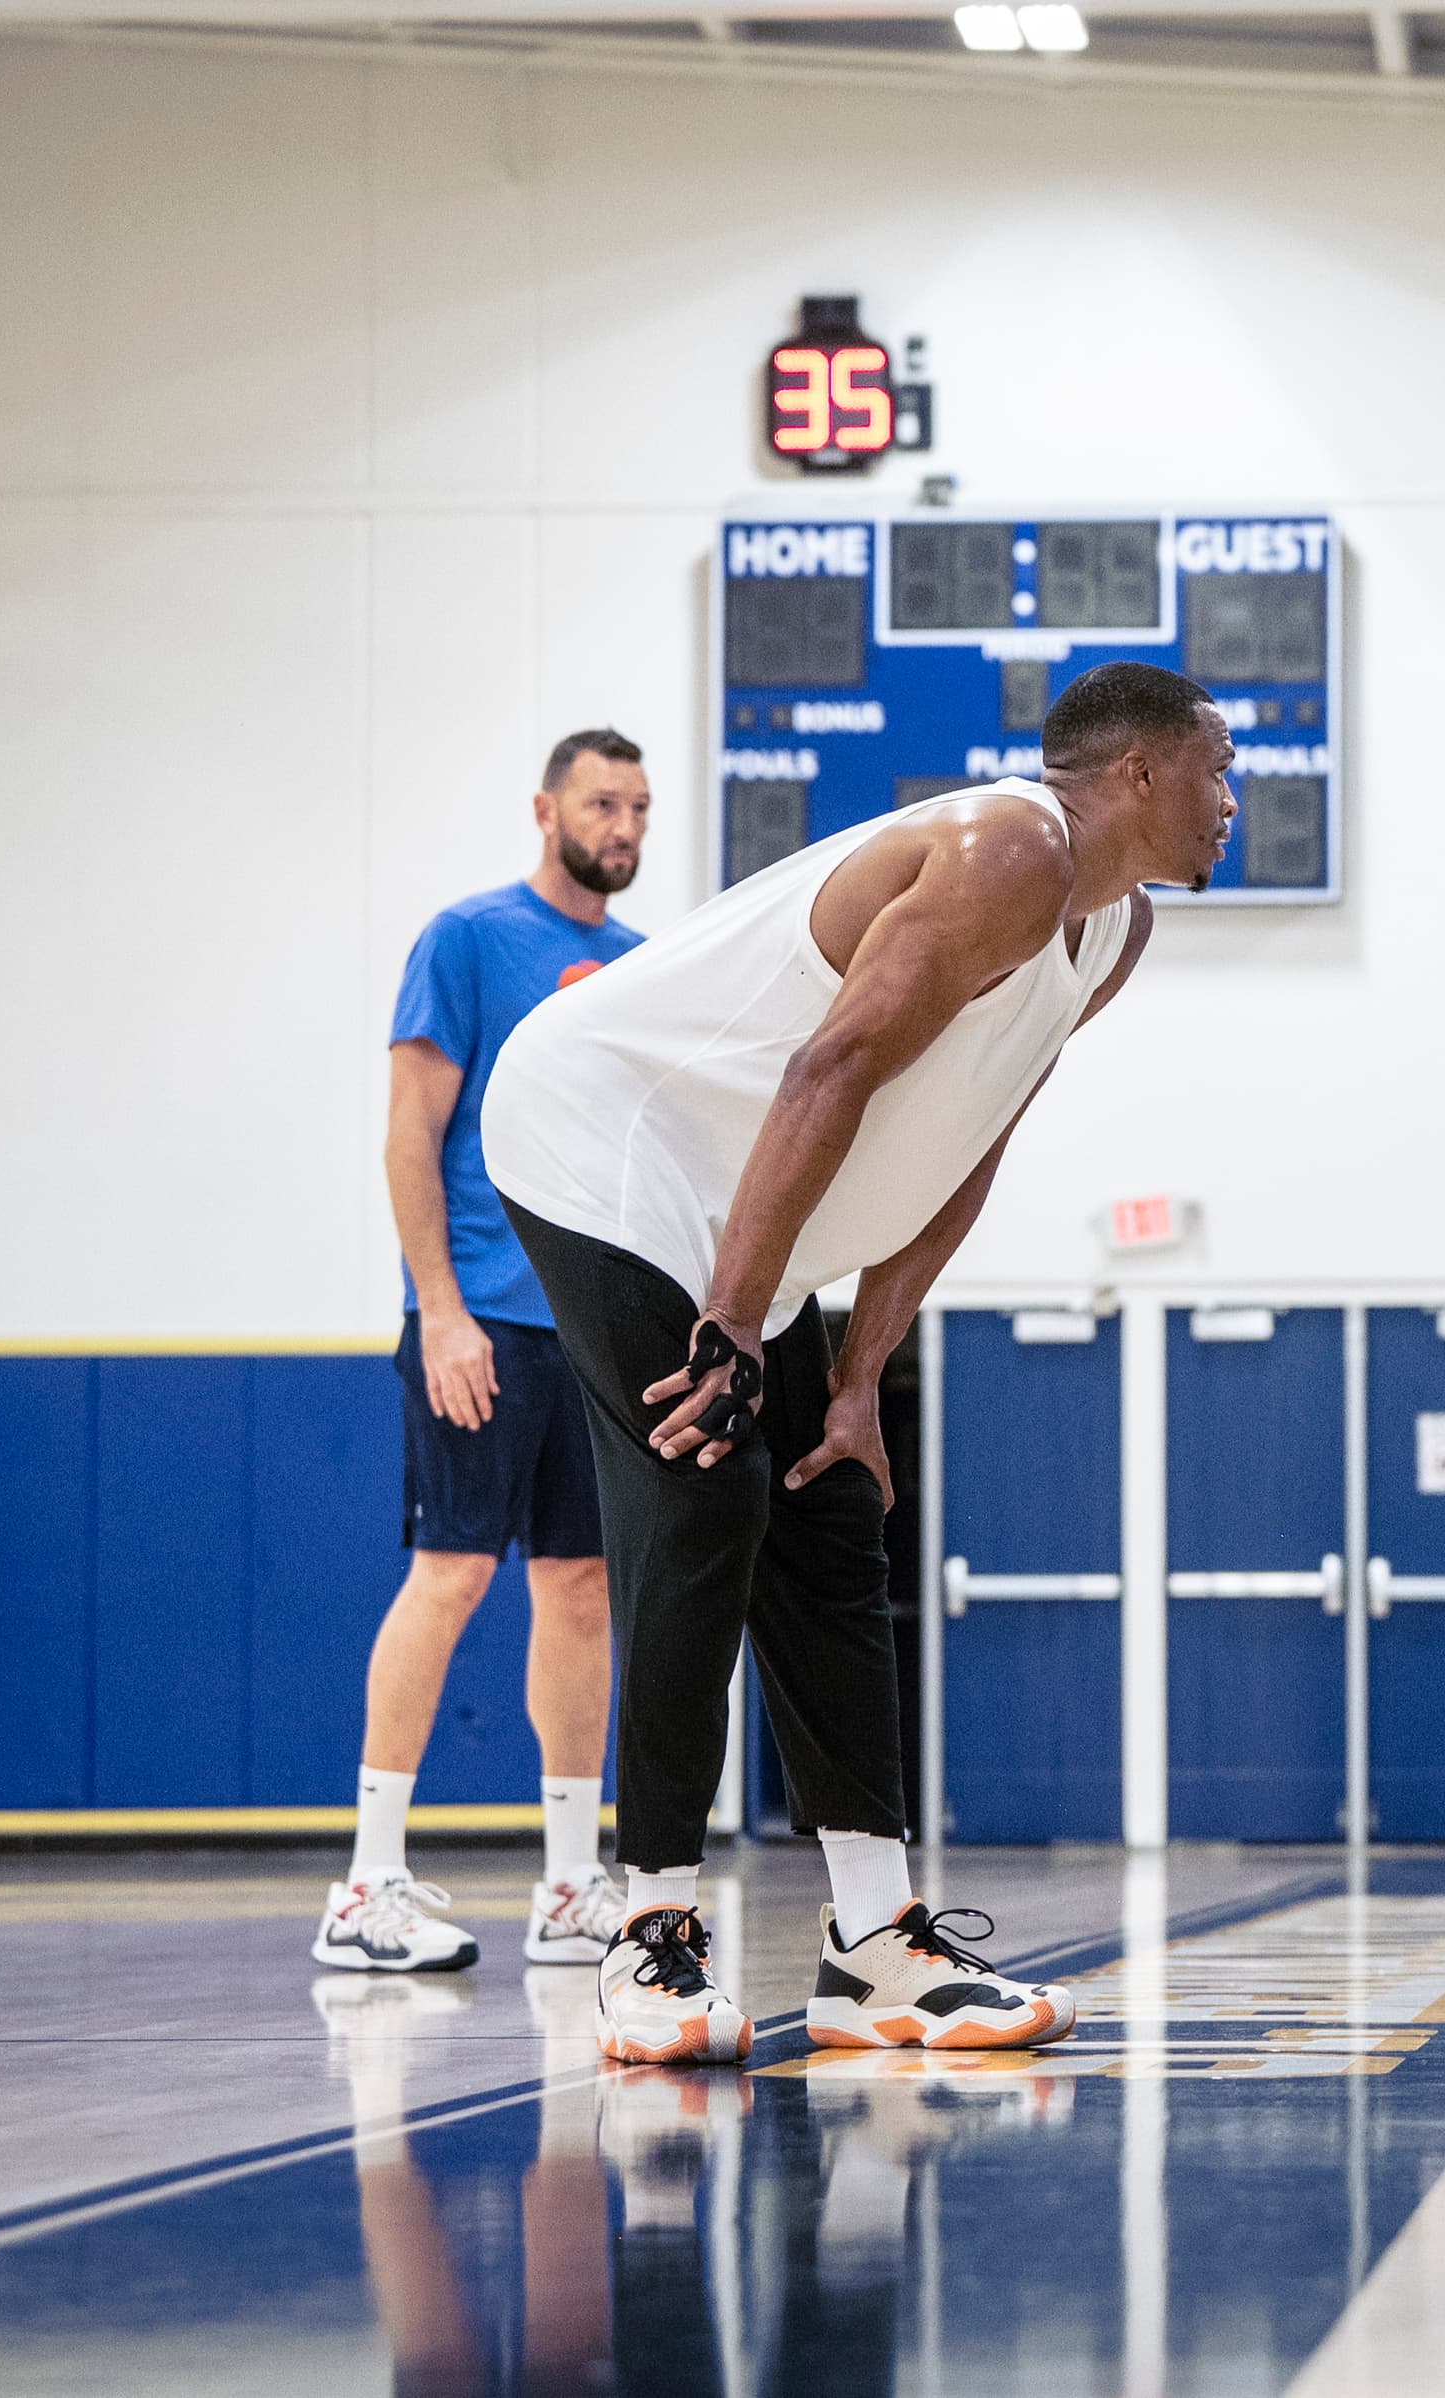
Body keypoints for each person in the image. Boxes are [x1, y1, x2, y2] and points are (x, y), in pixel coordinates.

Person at [482, 661, 1232, 2065]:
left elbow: (966, 1137)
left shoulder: (1110, 931)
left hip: (750, 1190)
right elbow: (829, 1070)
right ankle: (648, 1935)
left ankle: (876, 1949)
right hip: (605, 1137)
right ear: (1138, 774)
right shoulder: (1010, 846)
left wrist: (853, 1380)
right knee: (703, 1492)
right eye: (1219, 767)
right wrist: (734, 1323)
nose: (1233, 800)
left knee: (829, 1509)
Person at [315, 730, 652, 1978]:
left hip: (588, 1328)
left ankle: (570, 1885)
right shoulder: (465, 940)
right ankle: (367, 1887)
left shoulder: (633, 968)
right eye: (600, 802)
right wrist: (439, 1308)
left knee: (578, 1588)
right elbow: (412, 1136)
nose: (621, 825)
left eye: (637, 806)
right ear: (545, 809)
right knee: (452, 1573)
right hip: (480, 1322)